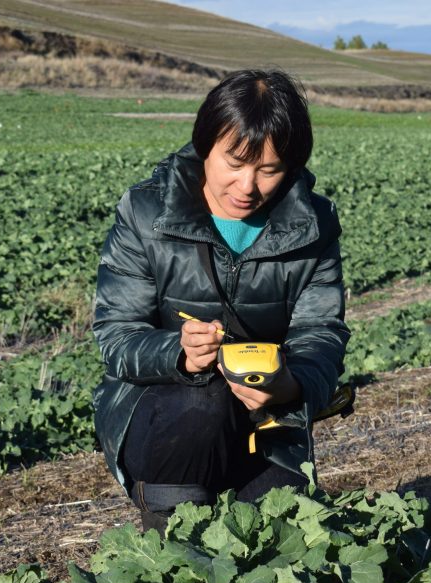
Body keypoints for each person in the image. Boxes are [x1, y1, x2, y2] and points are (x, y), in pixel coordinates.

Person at [91, 69, 351, 534]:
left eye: (269, 170)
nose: (247, 186)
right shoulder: (146, 213)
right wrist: (178, 353)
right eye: (234, 162)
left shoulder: (313, 225)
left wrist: (292, 388)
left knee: (281, 540)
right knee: (203, 402)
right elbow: (116, 334)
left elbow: (321, 334)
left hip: (265, 420)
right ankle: (167, 542)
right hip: (162, 413)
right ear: (204, 145)